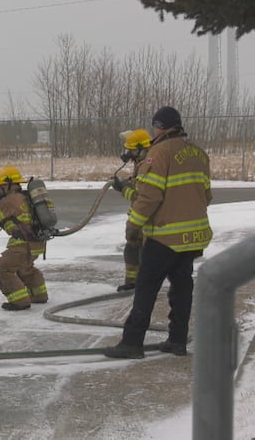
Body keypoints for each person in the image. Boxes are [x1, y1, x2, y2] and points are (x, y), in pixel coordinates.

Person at [104, 106, 212, 359]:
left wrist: (134, 225)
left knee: (146, 288)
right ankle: (177, 341)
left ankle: (132, 343)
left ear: (160, 127)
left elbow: (149, 197)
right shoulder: (199, 153)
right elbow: (206, 195)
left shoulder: (159, 153)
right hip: (192, 237)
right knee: (182, 288)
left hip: (164, 237)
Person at [0, 166, 48, 311]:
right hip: (37, 244)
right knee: (25, 269)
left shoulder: (12, 200)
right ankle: (39, 295)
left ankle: (20, 302)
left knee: (2, 269)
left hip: (22, 246)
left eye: (0, 188)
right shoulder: (25, 197)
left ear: (8, 185)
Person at [111, 128, 152, 292]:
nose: (128, 153)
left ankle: (144, 284)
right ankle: (132, 282)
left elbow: (141, 197)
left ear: (142, 149)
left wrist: (123, 189)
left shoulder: (149, 164)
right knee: (131, 250)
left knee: (146, 253)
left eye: (132, 150)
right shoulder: (141, 163)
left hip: (146, 219)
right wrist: (128, 183)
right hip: (137, 217)